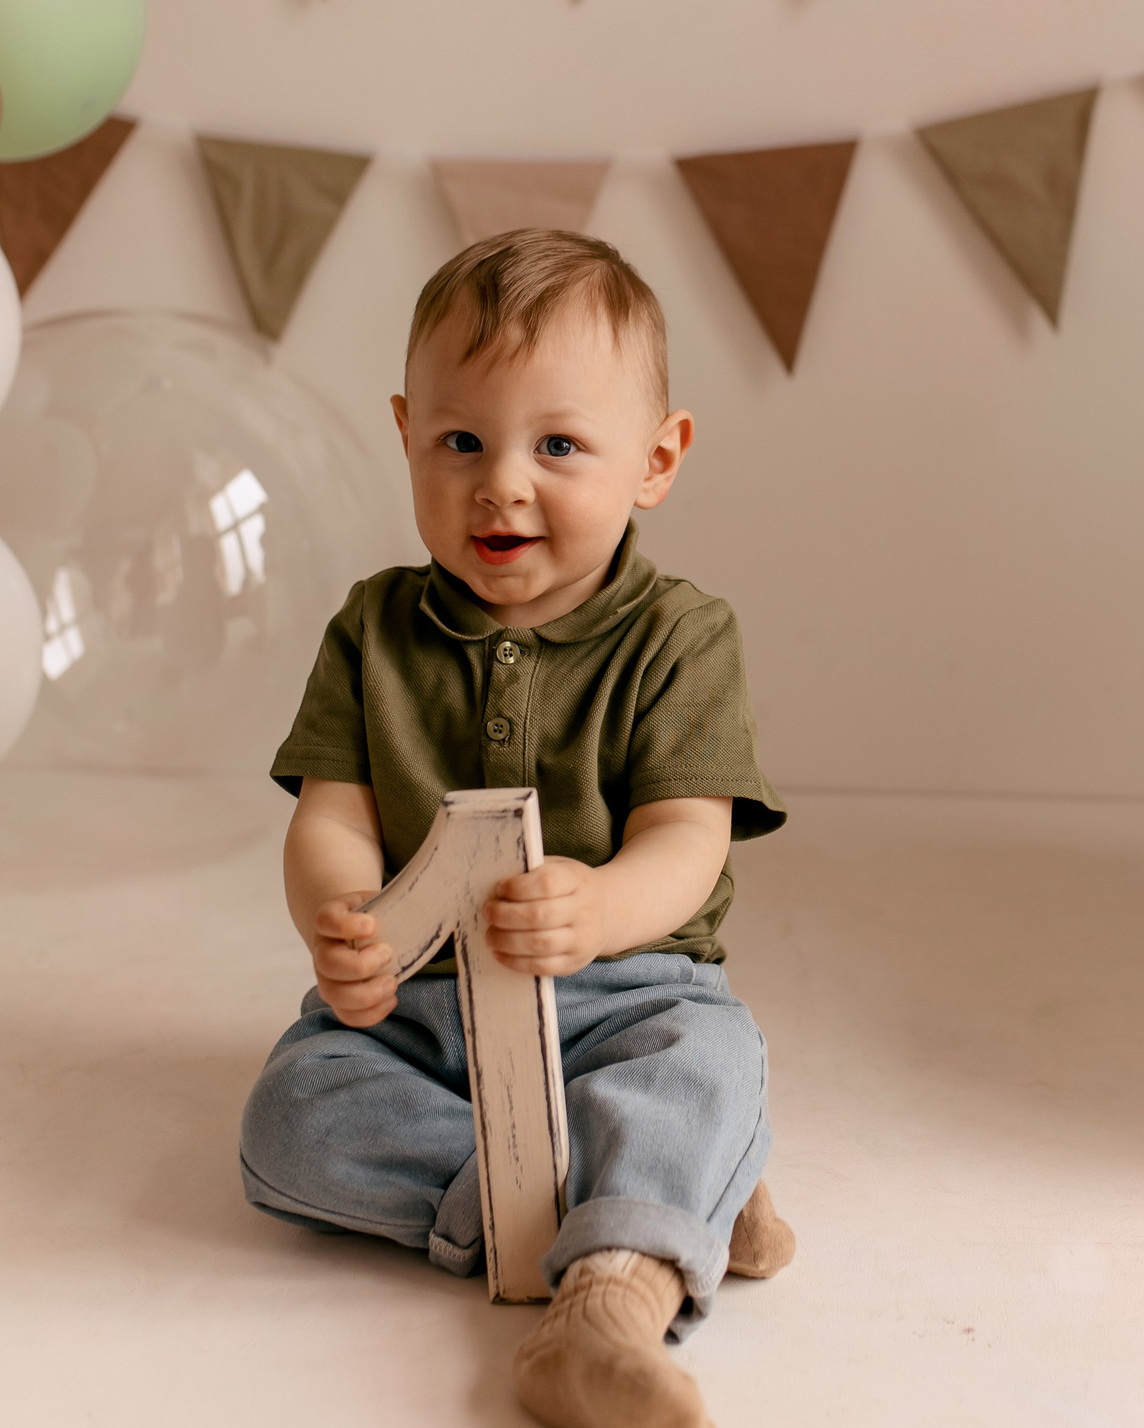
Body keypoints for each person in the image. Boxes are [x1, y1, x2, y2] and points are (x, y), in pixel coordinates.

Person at [242, 229, 797, 1428]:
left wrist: (600, 906)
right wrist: (343, 916)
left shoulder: (682, 636)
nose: (501, 483)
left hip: (624, 991)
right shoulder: (372, 630)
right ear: (406, 435)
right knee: (291, 1120)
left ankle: (606, 1310)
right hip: (423, 1010)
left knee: (707, 1062)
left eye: (557, 446)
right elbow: (333, 814)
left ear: (655, 460)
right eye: (461, 442)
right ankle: (657, 1194)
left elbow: (687, 838)